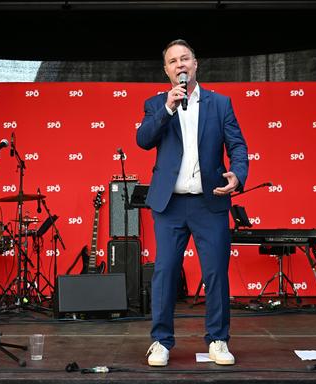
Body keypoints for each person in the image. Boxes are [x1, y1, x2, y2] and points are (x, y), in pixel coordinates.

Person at [136, 39, 249, 367]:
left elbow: (238, 146)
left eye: (185, 58)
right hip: (169, 205)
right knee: (165, 271)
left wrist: (237, 175)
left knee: (216, 272)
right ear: (167, 71)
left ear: (195, 64)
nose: (179, 65)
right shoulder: (156, 103)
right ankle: (160, 341)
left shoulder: (220, 103)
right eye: (173, 61)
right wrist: (168, 108)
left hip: (209, 203)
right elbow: (143, 140)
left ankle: (218, 339)